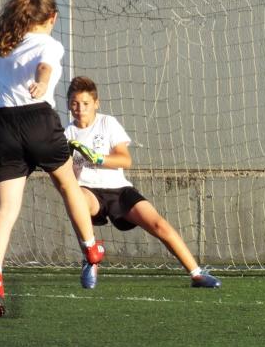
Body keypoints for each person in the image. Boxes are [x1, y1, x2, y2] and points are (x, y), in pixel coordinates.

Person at [0, 0, 105, 317]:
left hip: (5, 126)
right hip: (38, 120)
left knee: (6, 208)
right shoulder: (48, 44)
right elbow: (45, 66)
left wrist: (12, 82)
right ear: (51, 18)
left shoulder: (3, 51)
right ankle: (90, 248)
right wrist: (40, 81)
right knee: (68, 187)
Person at [65, 76, 221, 289]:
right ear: (68, 104)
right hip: (89, 191)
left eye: (85, 103)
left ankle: (196, 274)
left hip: (119, 190)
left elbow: (125, 159)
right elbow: (65, 175)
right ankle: (90, 259)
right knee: (77, 197)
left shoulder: (107, 123)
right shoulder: (66, 134)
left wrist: (98, 158)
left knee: (159, 224)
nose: (80, 108)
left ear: (96, 103)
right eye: (74, 103)